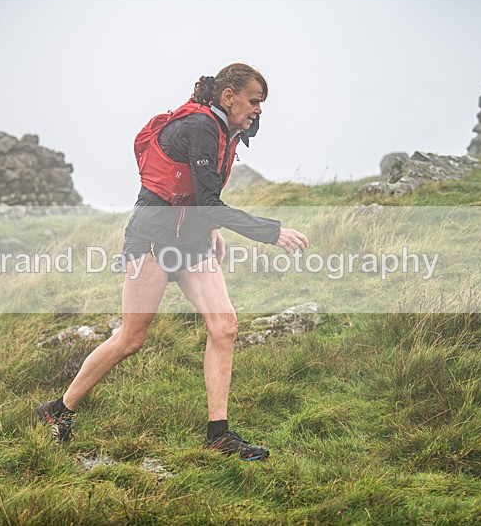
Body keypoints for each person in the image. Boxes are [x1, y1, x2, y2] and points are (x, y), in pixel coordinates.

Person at [37, 63, 308, 461]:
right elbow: (208, 201)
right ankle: (57, 412)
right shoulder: (200, 126)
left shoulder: (228, 131)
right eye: (254, 101)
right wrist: (271, 232)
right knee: (131, 339)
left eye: (262, 103)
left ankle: (218, 434)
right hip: (151, 239)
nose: (258, 110)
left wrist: (210, 229)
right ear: (228, 96)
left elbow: (200, 194)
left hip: (191, 239)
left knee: (225, 326)